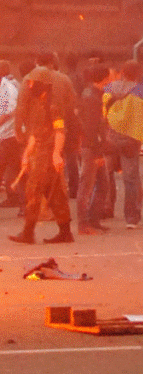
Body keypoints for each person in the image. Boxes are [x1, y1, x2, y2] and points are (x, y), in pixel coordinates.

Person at [9, 52, 78, 244]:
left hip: (47, 154)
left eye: (32, 83)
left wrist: (56, 154)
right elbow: (34, 133)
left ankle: (28, 232)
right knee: (55, 193)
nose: (29, 85)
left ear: (43, 85)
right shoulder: (38, 104)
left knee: (33, 191)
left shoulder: (52, 106)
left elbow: (60, 130)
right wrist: (27, 153)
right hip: (39, 150)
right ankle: (65, 232)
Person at [104, 60, 143, 229]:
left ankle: (107, 207)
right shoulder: (141, 91)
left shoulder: (108, 88)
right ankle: (132, 217)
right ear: (138, 74)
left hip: (110, 137)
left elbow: (102, 112)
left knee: (106, 175)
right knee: (131, 178)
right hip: (130, 139)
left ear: (122, 72)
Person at [77, 65, 112, 235]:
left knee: (102, 184)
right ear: (105, 78)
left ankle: (93, 219)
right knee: (87, 186)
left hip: (93, 146)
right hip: (92, 147)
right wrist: (98, 152)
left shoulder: (92, 94)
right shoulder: (93, 98)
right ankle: (84, 223)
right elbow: (92, 128)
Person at [0, 60, 20, 209]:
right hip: (7, 134)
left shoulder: (7, 88)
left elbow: (9, 112)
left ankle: (21, 202)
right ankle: (16, 200)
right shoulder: (6, 86)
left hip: (8, 134)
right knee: (13, 168)